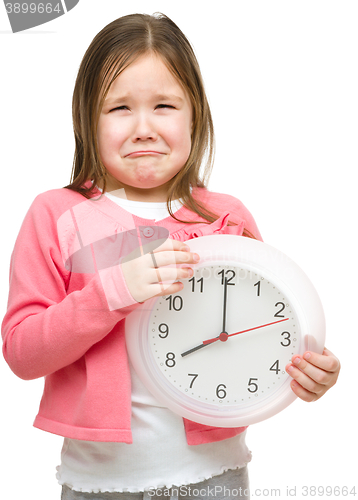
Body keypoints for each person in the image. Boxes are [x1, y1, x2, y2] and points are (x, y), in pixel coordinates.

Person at [1, 13, 340, 500]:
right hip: (99, 484)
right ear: (86, 119)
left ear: (194, 115)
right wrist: (113, 292)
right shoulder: (57, 215)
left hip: (214, 479)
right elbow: (21, 352)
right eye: (119, 108)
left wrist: (308, 372)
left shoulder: (226, 217)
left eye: (164, 105)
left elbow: (267, 331)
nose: (143, 128)